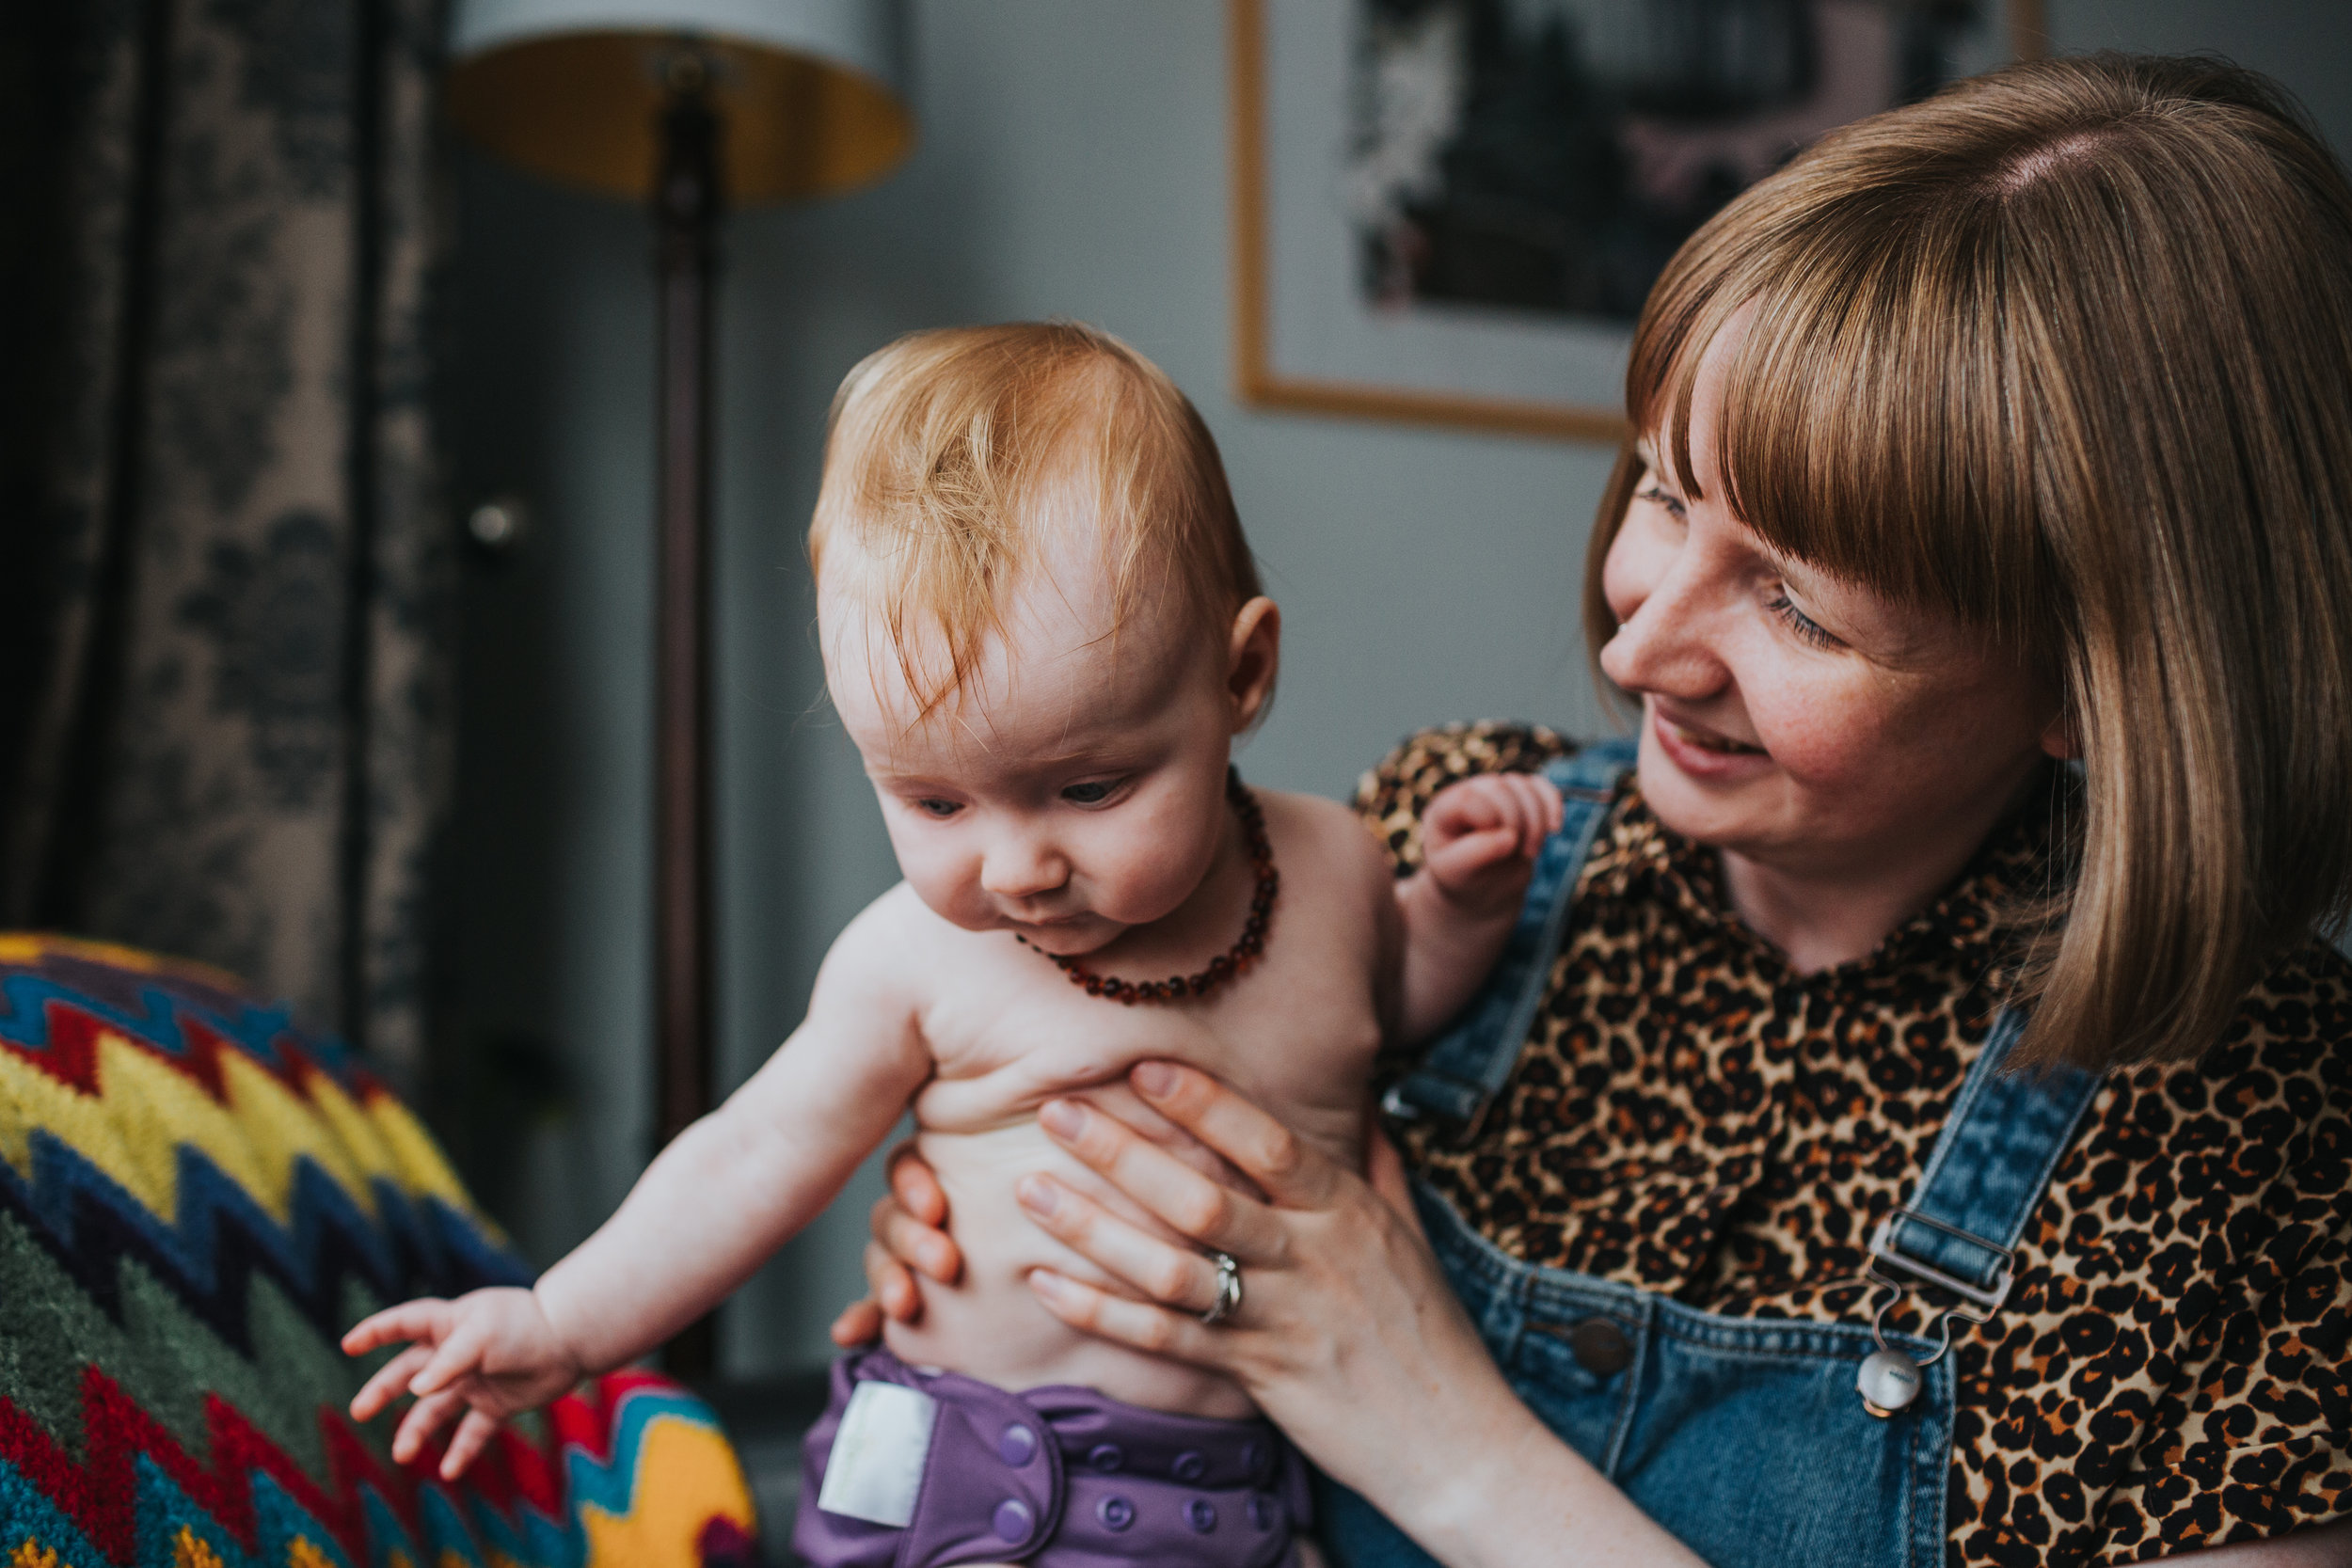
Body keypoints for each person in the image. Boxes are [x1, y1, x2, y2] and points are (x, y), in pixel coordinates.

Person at [841, 55, 2352, 1567]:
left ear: (2098, 683)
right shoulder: (1457, 837)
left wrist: (1449, 1448)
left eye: (1799, 608)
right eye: (1662, 493)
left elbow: (1407, 1426)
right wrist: (994, 1278)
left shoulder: (2264, 1150)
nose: (1632, 651)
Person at [341, 322, 1570, 1568]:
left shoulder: (1344, 873)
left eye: (1089, 788)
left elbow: (1394, 1013)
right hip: (948, 1471)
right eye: (934, 804)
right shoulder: (913, 961)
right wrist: (562, 1322)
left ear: (1241, 674)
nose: (1015, 866)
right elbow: (754, 1149)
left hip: (1224, 1498)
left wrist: (1461, 909)